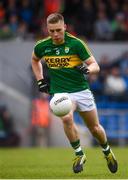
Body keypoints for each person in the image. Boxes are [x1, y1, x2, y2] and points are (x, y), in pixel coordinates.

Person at [31, 13, 118, 174]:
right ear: (47, 30)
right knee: (66, 117)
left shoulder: (76, 44)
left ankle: (107, 152)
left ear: (65, 27)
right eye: (51, 31)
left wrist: (87, 69)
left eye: (58, 30)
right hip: (60, 92)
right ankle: (79, 154)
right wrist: (40, 80)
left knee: (95, 128)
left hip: (81, 91)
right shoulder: (42, 46)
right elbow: (35, 60)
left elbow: (95, 65)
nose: (55, 34)